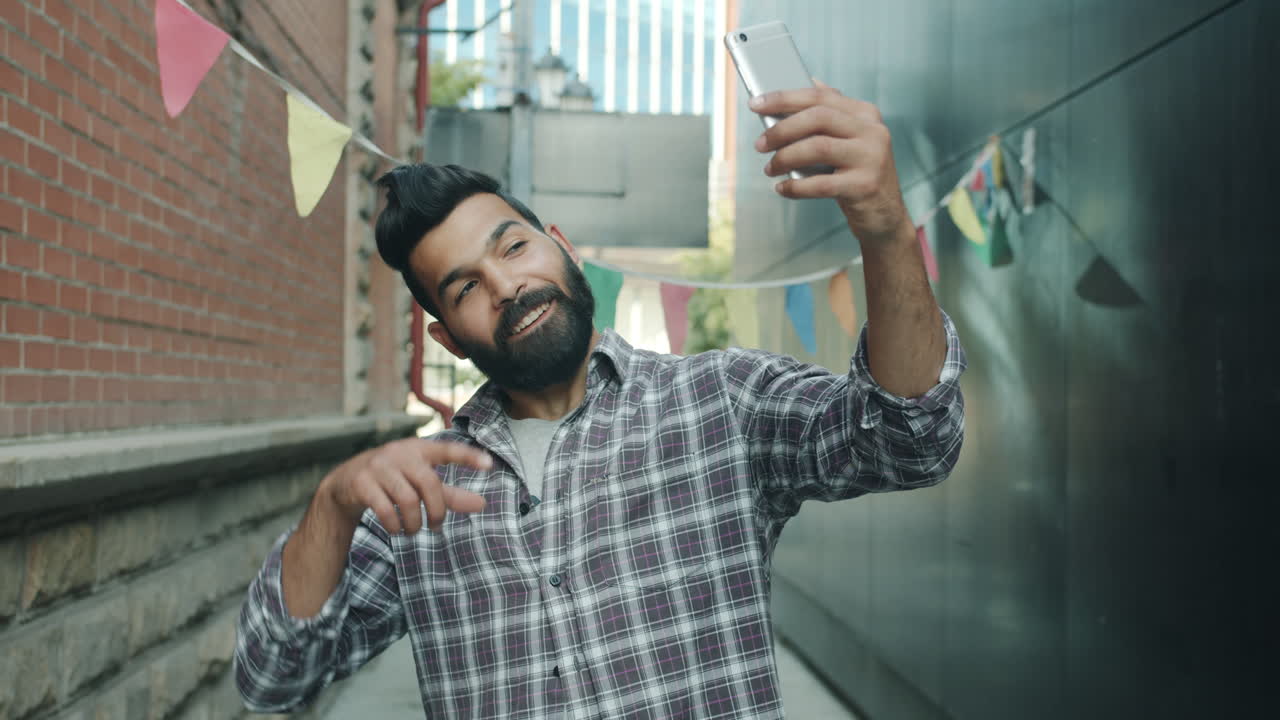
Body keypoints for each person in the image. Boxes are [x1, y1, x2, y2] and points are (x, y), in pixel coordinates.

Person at [234, 82, 966, 719]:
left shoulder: (720, 403)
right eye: (464, 288)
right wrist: (332, 505)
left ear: (563, 248)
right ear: (447, 338)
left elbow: (913, 443)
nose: (506, 287)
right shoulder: (419, 497)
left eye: (513, 248)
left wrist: (885, 229)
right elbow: (273, 679)